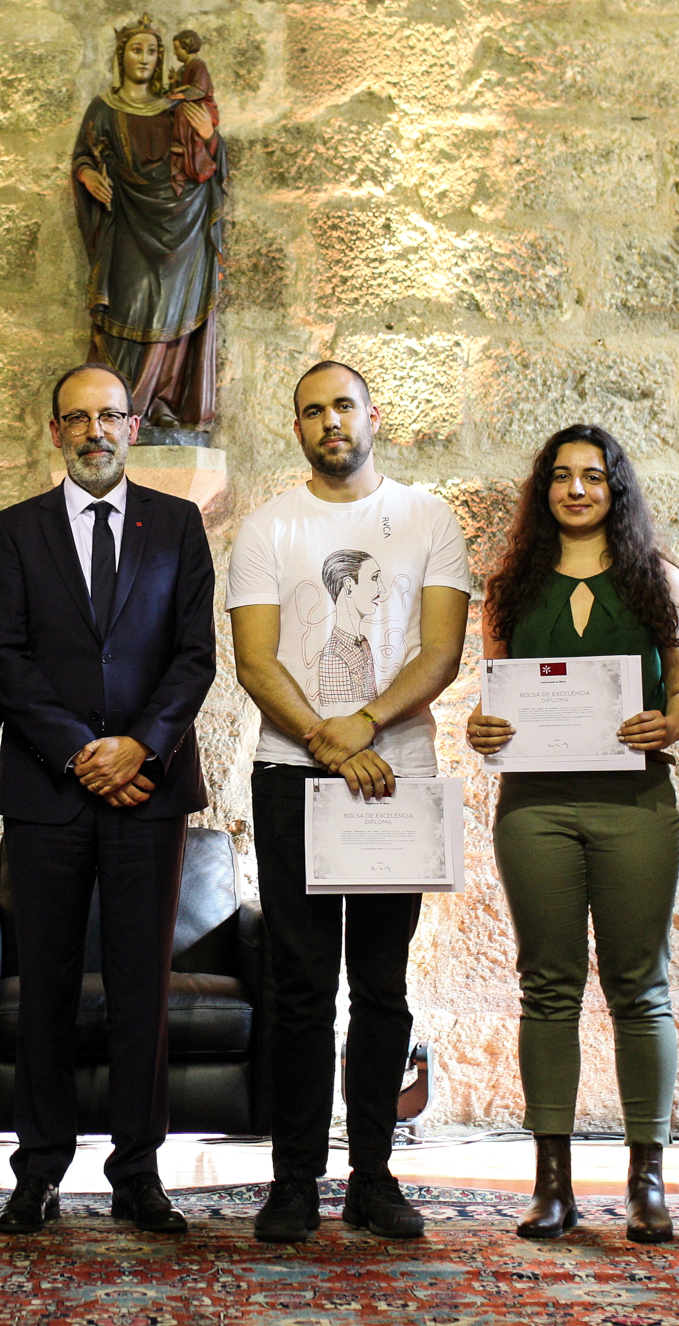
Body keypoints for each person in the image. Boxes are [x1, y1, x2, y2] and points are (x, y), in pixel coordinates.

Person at [227, 361, 471, 1243]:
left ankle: (374, 1176)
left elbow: (439, 653)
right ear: (297, 429)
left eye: (343, 406)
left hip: (396, 774)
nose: (329, 422)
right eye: (312, 411)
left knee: (380, 985)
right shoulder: (267, 527)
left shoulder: (428, 518)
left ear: (373, 416)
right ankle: (293, 1181)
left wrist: (363, 727)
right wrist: (329, 744)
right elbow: (256, 662)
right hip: (290, 774)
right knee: (298, 986)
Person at [0, 363, 216, 1236]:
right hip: (50, 792)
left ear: (132, 427)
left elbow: (195, 655)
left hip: (150, 792)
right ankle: (37, 1172)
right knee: (41, 984)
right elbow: (4, 657)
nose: (95, 432)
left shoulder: (180, 525)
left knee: (139, 988)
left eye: (110, 417)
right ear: (55, 432)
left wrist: (139, 746)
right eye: (77, 419)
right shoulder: (15, 531)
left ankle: (138, 1173)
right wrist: (81, 751)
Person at [467, 423, 679, 1245]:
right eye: (562, 477)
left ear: (615, 489)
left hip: (635, 809)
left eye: (593, 477)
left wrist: (661, 727)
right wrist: (482, 731)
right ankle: (553, 1183)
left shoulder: (657, 579)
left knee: (641, 988)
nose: (576, 490)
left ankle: (647, 1181)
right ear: (544, 490)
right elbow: (491, 702)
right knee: (549, 989)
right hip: (535, 810)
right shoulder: (506, 587)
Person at [72, 15, 226, 438]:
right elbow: (83, 155)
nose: (144, 58)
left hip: (182, 225)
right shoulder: (104, 108)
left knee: (171, 310)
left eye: (152, 51)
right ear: (121, 56)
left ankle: (161, 406)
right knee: (127, 306)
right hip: (125, 223)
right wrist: (87, 175)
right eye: (136, 50)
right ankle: (120, 405)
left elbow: (209, 158)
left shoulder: (176, 105)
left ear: (161, 60)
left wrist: (210, 135)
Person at [166, 29, 218, 195]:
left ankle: (189, 153)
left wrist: (181, 94)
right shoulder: (184, 68)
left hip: (203, 107)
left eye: (177, 48)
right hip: (191, 103)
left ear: (186, 47)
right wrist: (175, 83)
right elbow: (181, 85)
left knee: (181, 111)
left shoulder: (198, 65)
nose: (174, 53)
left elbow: (201, 88)